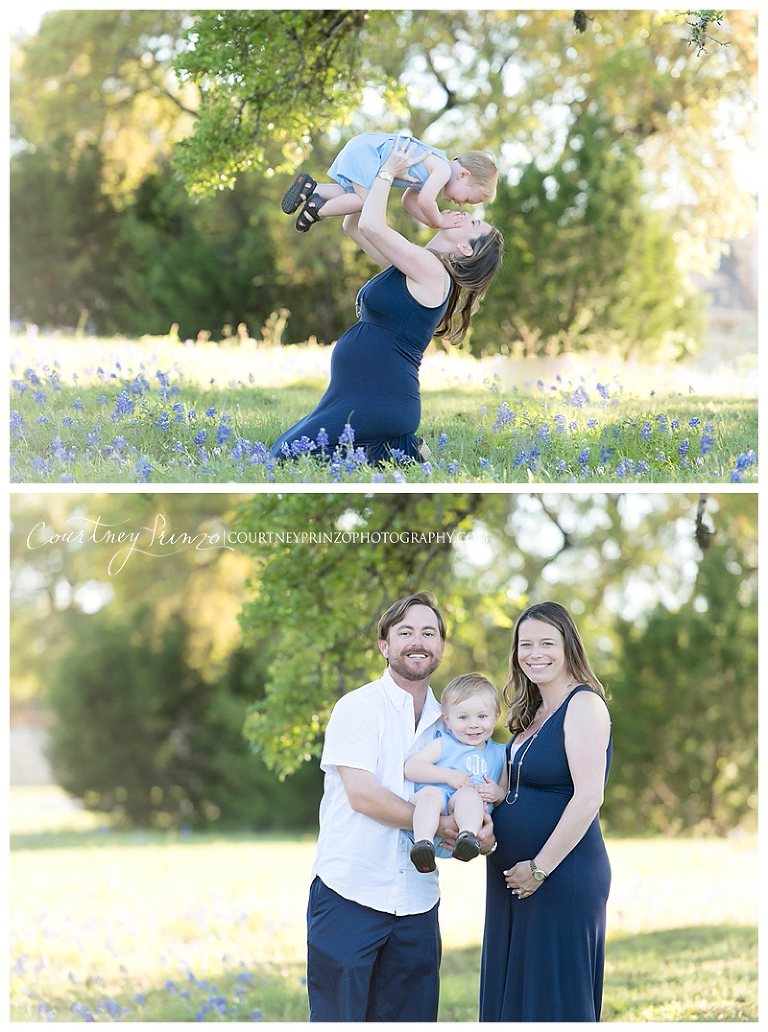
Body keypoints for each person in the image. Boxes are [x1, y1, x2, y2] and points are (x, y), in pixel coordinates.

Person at [306, 591, 494, 1022]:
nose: (418, 641)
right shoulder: (357, 707)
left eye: (429, 633)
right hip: (350, 893)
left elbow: (478, 784)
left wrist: (481, 827)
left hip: (417, 901)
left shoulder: (454, 720)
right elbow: (362, 794)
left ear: (441, 648)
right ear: (384, 645)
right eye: (405, 632)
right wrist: (439, 824)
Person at [270, 137, 504, 464]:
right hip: (358, 396)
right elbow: (356, 226)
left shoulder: (433, 273)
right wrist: (374, 182)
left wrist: (386, 172)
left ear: (465, 249)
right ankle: (404, 449)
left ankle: (399, 446)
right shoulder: (416, 264)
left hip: (380, 400)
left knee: (284, 458)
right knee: (286, 451)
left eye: (474, 223)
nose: (466, 213)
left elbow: (371, 223)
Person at [479, 601, 612, 1022]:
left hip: (559, 875)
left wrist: (538, 868)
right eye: (525, 644)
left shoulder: (583, 706)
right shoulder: (530, 713)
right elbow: (514, 791)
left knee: (553, 1001)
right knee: (515, 998)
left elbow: (589, 797)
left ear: (569, 646)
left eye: (546, 643)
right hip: (513, 877)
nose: (534, 653)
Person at [281, 131, 498, 233]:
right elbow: (425, 201)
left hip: (365, 147)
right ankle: (318, 209)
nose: (461, 204)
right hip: (369, 153)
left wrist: (430, 221)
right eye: (467, 199)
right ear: (464, 175)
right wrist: (440, 221)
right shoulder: (441, 169)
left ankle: (312, 188)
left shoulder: (432, 173)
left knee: (350, 194)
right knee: (366, 201)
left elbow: (409, 202)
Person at [405, 673, 508, 872]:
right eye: (463, 717)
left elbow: (504, 794)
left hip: (463, 826)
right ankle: (422, 846)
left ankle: (467, 838)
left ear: (496, 716)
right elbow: (411, 767)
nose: (473, 724)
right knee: (430, 794)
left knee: (469, 794)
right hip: (430, 815)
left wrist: (497, 793)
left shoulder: (500, 754)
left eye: (482, 716)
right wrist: (449, 776)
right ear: (447, 720)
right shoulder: (444, 743)